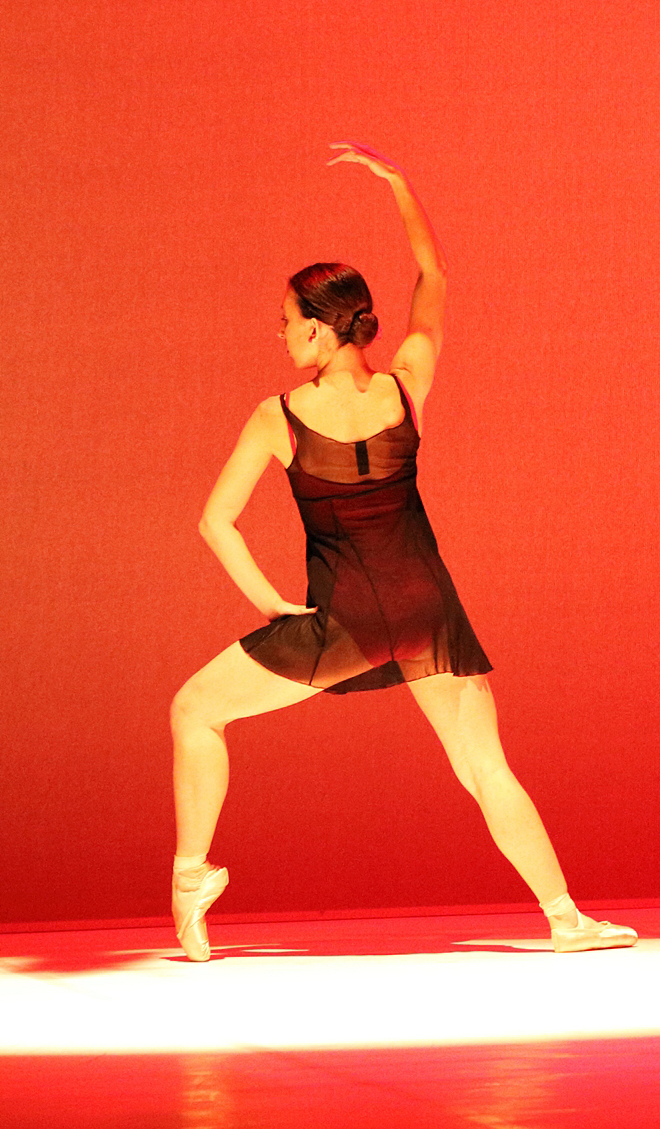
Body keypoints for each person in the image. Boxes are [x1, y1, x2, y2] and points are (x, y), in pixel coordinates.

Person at [168, 142, 634, 961]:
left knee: (193, 711)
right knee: (484, 769)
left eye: (287, 321)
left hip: (346, 624)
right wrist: (398, 184)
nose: (280, 332)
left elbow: (216, 522)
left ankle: (191, 880)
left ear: (319, 331)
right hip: (427, 612)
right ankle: (566, 918)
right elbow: (434, 276)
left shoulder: (279, 416)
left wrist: (270, 603)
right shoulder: (405, 386)